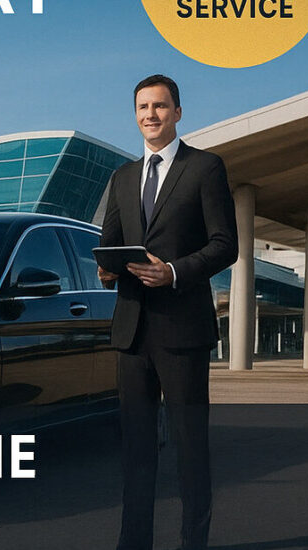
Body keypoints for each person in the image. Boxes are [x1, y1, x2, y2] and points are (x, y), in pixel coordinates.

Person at [98, 74, 238, 550]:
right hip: (132, 331)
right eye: (143, 107)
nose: (150, 115)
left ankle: (193, 543)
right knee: (137, 452)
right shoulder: (121, 177)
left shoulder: (205, 168)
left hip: (182, 331)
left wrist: (174, 272)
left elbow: (226, 244)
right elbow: (110, 243)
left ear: (178, 112)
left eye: (159, 106)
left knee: (190, 450)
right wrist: (107, 269)